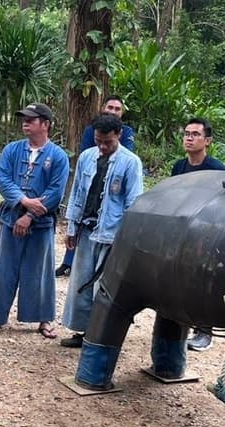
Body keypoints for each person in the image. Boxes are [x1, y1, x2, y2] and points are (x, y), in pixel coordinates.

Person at [0, 102, 69, 338]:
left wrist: (30, 215)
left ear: (46, 124)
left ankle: (44, 318)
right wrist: (23, 201)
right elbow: (4, 180)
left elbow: (56, 192)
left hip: (41, 223)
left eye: (32, 119)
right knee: (5, 266)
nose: (26, 122)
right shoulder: (12, 150)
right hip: (11, 217)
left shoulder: (58, 156)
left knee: (40, 270)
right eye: (24, 118)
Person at [60, 114, 144, 348]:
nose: (103, 146)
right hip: (87, 229)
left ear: (118, 135)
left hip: (112, 234)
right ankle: (81, 331)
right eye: (98, 141)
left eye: (107, 141)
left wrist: (126, 239)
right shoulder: (87, 157)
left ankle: (101, 337)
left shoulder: (131, 162)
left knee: (104, 288)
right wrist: (72, 227)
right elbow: (77, 193)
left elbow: (133, 203)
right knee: (81, 281)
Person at [56, 95, 136, 278]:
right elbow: (85, 155)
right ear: (102, 108)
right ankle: (68, 262)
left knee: (103, 281)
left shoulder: (130, 155)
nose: (113, 111)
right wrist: (70, 227)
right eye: (110, 107)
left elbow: (132, 200)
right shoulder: (89, 140)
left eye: (118, 108)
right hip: (89, 199)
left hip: (112, 220)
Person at [171, 117, 225, 352]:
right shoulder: (178, 167)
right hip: (181, 233)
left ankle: (205, 330)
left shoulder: (218, 170)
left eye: (195, 134)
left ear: (207, 141)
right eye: (186, 133)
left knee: (203, 282)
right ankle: (180, 323)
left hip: (207, 236)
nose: (189, 138)